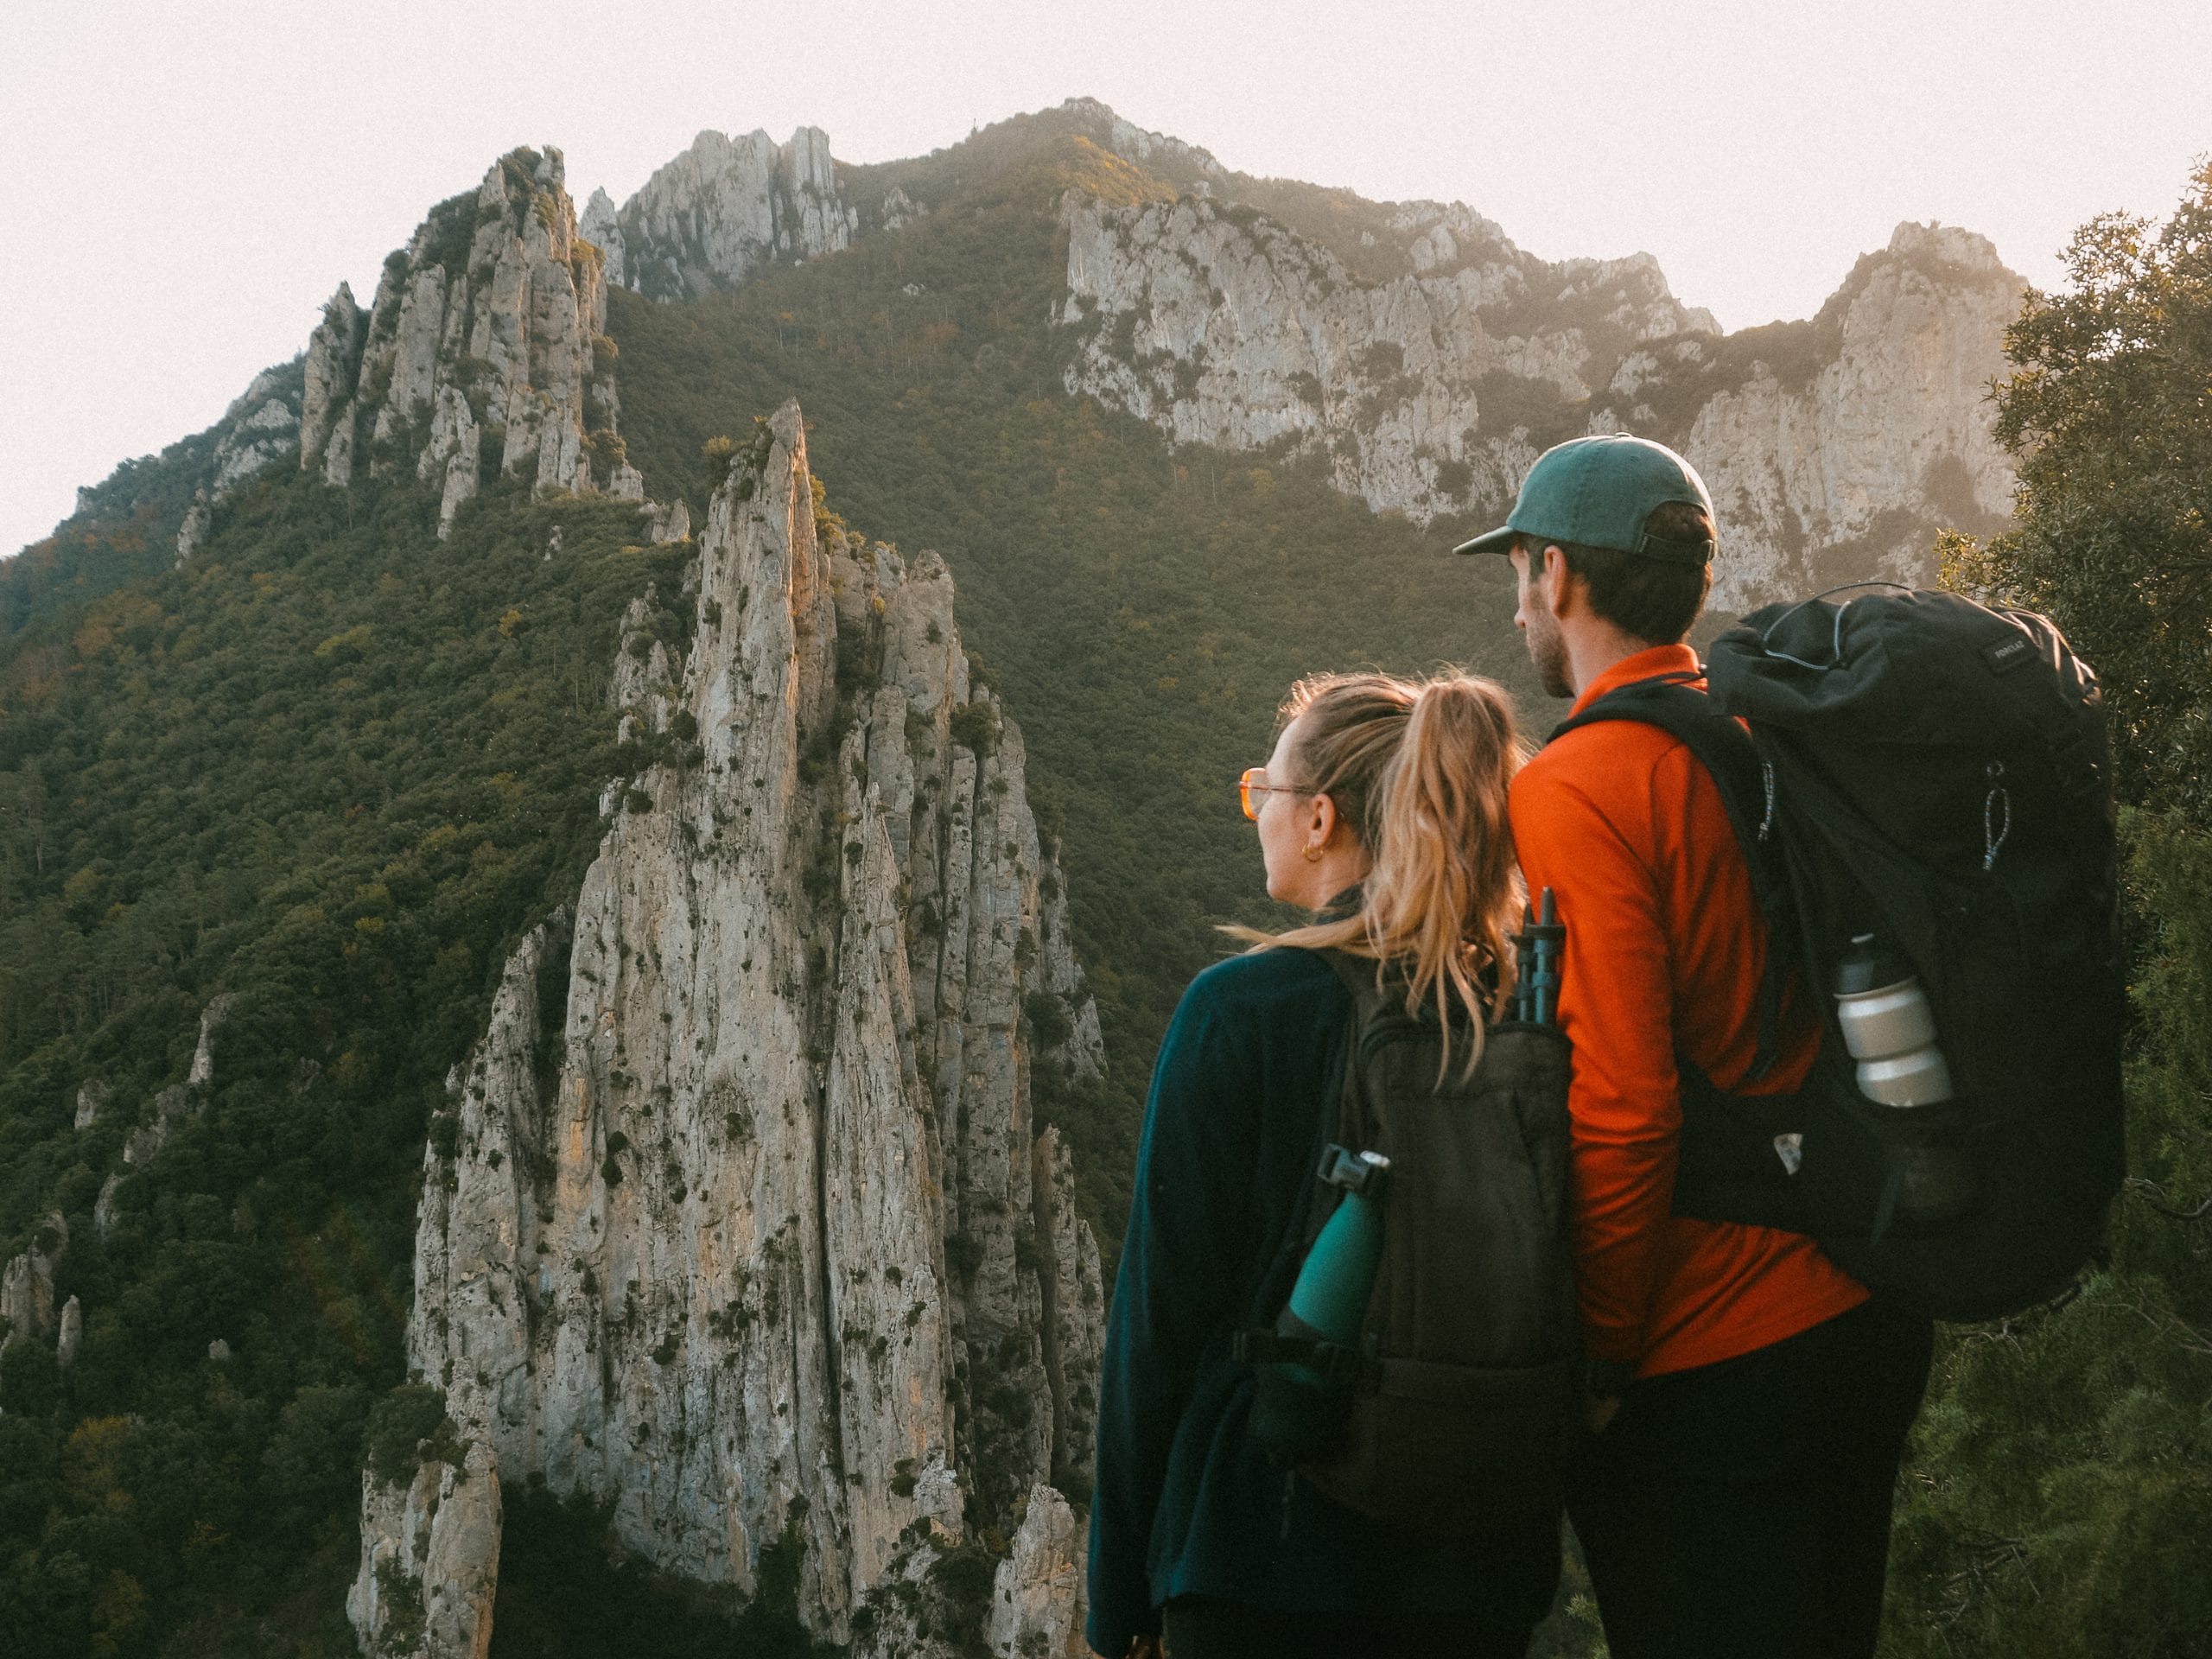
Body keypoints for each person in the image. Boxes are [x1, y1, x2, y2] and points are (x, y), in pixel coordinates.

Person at [1454, 435, 1936, 1659]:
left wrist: (1602, 1359)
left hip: (1712, 1361)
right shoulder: (1775, 731)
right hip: (1866, 1304)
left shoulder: (1579, 787)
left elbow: (1624, 1107)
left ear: (1557, 575)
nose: (1519, 605)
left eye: (1518, 573)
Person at [1085, 671, 1558, 1659]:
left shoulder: (1238, 1011)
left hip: (1260, 1550)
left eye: (1268, 791)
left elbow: (1158, 1323)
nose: (1257, 811)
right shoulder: (1520, 1014)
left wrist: (1120, 1587)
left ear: (1320, 822)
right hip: (1474, 1565)